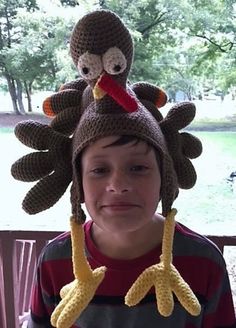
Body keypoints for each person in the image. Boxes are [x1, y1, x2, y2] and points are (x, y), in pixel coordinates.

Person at [11, 9, 236, 328]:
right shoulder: (54, 262)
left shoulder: (204, 263)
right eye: (99, 170)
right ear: (78, 183)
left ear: (165, 178)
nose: (118, 184)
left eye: (139, 168)